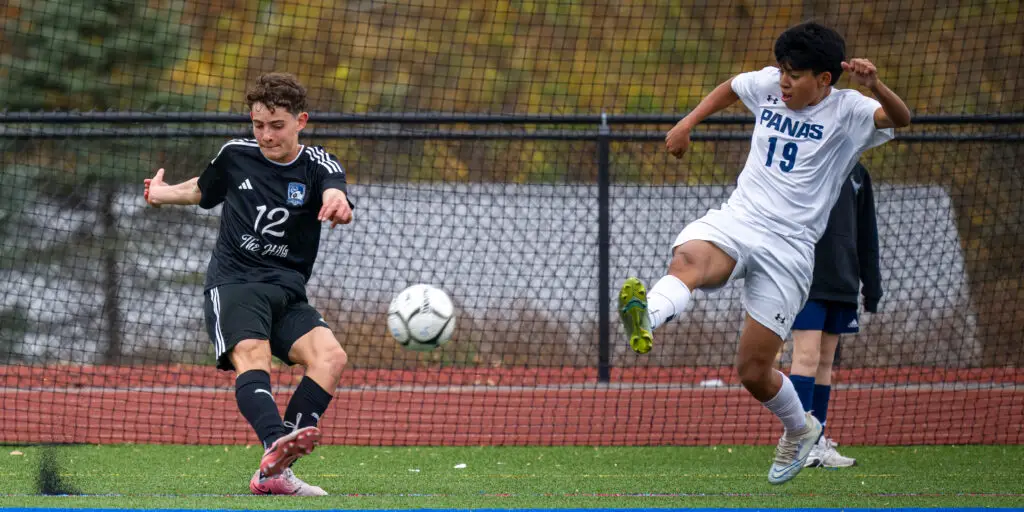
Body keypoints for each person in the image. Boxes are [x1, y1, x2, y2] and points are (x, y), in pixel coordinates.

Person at [618, 22, 910, 484]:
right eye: (781, 71)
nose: (784, 81)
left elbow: (900, 119)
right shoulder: (770, 86)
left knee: (754, 371)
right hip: (740, 219)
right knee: (689, 259)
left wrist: (876, 85)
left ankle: (801, 429)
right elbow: (732, 86)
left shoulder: (850, 111)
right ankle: (646, 316)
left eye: (795, 74)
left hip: (789, 249)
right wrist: (687, 123)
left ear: (825, 79)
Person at [143, 72, 354, 496]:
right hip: (235, 283)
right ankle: (275, 442)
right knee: (255, 357)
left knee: (331, 358)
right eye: (259, 125)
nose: (267, 135)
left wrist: (337, 200)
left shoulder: (318, 165)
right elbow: (203, 191)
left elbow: (336, 190)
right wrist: (162, 193)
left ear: (301, 121)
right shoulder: (236, 154)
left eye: (277, 126)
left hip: (288, 291)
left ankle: (275, 471)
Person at [791, 161, 880, 468]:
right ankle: (798, 443)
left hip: (843, 281)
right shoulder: (806, 160)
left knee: (826, 362)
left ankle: (818, 442)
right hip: (805, 278)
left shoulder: (856, 171)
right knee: (806, 356)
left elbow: (867, 232)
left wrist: (873, 287)